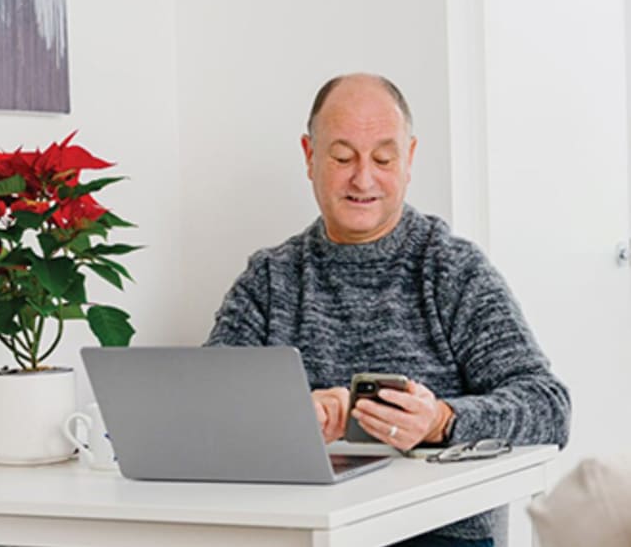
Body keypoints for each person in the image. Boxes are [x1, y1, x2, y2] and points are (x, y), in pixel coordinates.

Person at [205, 73, 571, 546]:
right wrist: (291, 417)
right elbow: (210, 411)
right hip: (300, 530)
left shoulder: (452, 269)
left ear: (409, 159)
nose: (363, 178)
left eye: (382, 158)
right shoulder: (271, 278)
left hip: (440, 534)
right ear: (309, 156)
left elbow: (548, 406)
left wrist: (441, 421)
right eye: (342, 157)